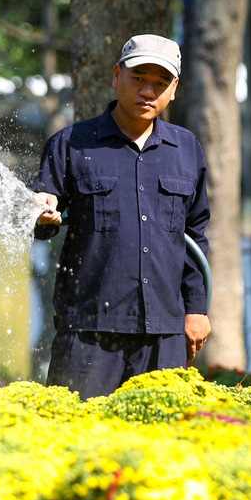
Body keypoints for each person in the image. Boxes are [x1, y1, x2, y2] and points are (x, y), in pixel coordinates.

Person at [31, 34, 211, 399]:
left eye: (160, 83)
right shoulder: (71, 144)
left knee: (164, 443)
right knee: (77, 437)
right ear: (116, 76)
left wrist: (196, 310)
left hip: (165, 331)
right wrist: (39, 214)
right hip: (88, 330)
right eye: (138, 78)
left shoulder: (186, 149)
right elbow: (40, 218)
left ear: (173, 90)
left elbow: (195, 235)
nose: (148, 91)